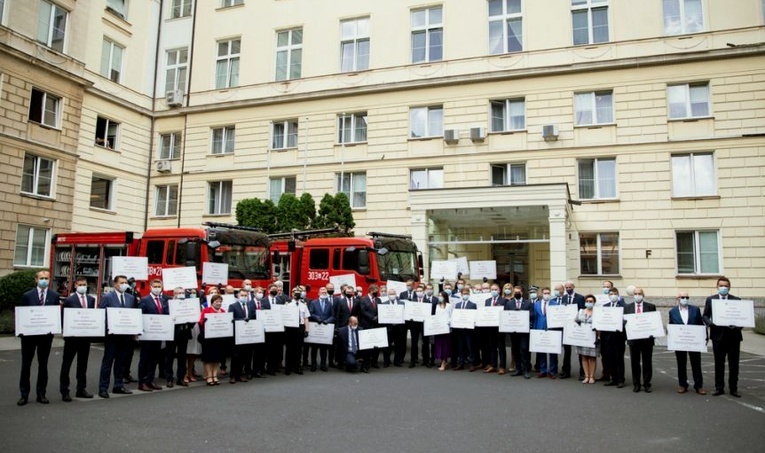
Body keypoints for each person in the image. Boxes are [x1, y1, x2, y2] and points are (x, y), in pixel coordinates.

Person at [18, 270, 60, 406]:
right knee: (26, 365)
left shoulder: (54, 296)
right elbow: (22, 314)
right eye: (41, 278)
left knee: (43, 365)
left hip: (45, 337)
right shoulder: (27, 296)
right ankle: (24, 394)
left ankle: (41, 393)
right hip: (29, 337)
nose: (44, 280)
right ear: (36, 280)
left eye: (46, 278)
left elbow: (55, 315)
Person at [703, 277, 743, 397]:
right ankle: (719, 388)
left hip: (734, 337)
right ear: (717, 287)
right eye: (721, 285)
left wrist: (737, 326)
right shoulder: (711, 300)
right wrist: (710, 324)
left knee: (733, 364)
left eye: (725, 285)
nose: (723, 288)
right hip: (718, 337)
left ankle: (733, 388)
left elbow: (742, 317)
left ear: (729, 287)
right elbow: (705, 316)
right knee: (719, 364)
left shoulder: (736, 300)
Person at [98, 275, 137, 398]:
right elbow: (102, 314)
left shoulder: (131, 298)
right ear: (115, 284)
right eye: (122, 282)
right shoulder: (108, 297)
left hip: (125, 336)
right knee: (108, 362)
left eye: (126, 282)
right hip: (112, 336)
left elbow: (133, 315)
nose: (124, 284)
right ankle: (103, 388)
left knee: (121, 362)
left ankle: (118, 385)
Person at [59, 277, 96, 401]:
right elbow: (64, 318)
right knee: (67, 364)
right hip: (72, 338)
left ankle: (81, 388)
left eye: (84, 284)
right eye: (80, 284)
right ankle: (64, 390)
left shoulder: (91, 300)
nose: (82, 287)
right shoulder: (69, 300)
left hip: (85, 338)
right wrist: (66, 332)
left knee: (82, 364)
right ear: (75, 286)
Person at [669, 291, 706, 395]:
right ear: (678, 298)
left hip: (693, 341)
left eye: (687, 297)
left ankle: (698, 386)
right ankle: (682, 384)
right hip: (680, 342)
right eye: (682, 297)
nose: (685, 299)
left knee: (696, 364)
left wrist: (704, 338)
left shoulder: (695, 309)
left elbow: (700, 324)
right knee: (681, 363)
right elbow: (671, 326)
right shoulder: (673, 311)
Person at [136, 279, 168, 392]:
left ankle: (150, 380)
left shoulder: (164, 300)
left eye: (159, 286)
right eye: (155, 286)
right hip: (147, 335)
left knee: (154, 358)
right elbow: (139, 316)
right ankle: (142, 381)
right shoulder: (145, 300)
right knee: (144, 359)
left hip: (158, 334)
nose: (157, 288)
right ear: (150, 287)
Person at [624, 287, 656, 393]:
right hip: (634, 339)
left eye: (639, 293)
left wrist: (654, 332)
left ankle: (647, 383)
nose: (637, 295)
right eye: (635, 294)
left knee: (647, 362)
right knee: (635, 362)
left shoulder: (651, 306)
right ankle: (636, 384)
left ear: (643, 295)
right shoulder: (627, 307)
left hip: (647, 340)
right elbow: (625, 322)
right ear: (633, 295)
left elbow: (654, 321)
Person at [165, 287, 193, 388]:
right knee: (170, 356)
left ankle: (180, 378)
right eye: (179, 293)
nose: (181, 294)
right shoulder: (169, 304)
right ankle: (169, 378)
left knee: (182, 356)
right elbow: (165, 315)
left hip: (184, 332)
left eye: (182, 293)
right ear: (174, 294)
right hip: (172, 333)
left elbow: (193, 317)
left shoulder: (188, 304)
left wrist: (192, 320)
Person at [228, 288, 257, 383]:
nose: (244, 297)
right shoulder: (233, 306)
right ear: (238, 296)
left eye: (246, 295)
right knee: (235, 356)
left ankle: (239, 375)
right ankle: (232, 376)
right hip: (237, 334)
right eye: (242, 295)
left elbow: (253, 318)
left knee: (244, 356)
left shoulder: (250, 306)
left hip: (247, 335)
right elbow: (231, 319)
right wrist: (241, 320)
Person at [505, 284, 533, 379]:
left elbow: (532, 315)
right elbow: (506, 316)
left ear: (522, 293)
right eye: (515, 292)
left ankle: (526, 370)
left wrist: (522, 313)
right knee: (515, 350)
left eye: (518, 292)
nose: (517, 293)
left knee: (524, 349)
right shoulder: (509, 303)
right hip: (514, 331)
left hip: (524, 331)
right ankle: (518, 369)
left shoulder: (528, 303)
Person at [601, 287, 626, 388]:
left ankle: (620, 379)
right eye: (610, 294)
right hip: (608, 337)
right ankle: (613, 378)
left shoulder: (623, 306)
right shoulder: (605, 306)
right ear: (608, 296)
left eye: (614, 293)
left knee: (619, 358)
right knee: (609, 358)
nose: (612, 295)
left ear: (618, 295)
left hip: (619, 337)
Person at [560, 281, 585, 379]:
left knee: (579, 350)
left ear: (573, 287)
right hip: (567, 327)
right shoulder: (564, 298)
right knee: (567, 351)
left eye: (570, 287)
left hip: (577, 326)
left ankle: (582, 372)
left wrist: (578, 319)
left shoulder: (580, 297)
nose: (568, 289)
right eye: (566, 287)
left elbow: (582, 310)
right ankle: (566, 371)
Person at [200, 294, 226, 385]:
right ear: (212, 302)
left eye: (220, 302)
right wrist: (205, 321)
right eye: (216, 302)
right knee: (209, 359)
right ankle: (209, 376)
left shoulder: (223, 311)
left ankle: (215, 375)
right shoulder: (206, 310)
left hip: (219, 338)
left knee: (217, 358)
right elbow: (200, 322)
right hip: (208, 339)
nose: (218, 303)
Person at [283, 287, 310, 375]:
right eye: (295, 292)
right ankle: (288, 368)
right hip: (290, 328)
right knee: (289, 349)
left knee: (298, 349)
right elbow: (284, 317)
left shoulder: (303, 305)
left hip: (300, 328)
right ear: (292, 294)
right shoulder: (288, 305)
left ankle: (297, 367)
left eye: (299, 292)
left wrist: (307, 330)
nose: (297, 294)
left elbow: (306, 318)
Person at [533, 287, 558, 379]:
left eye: (548, 293)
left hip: (551, 329)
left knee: (552, 352)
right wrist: (534, 330)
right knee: (541, 350)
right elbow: (535, 318)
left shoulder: (555, 304)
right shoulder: (536, 304)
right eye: (545, 293)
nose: (546, 295)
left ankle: (552, 371)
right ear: (542, 294)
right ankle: (542, 370)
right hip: (540, 328)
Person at [308, 286, 335, 372]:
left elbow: (333, 316)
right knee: (314, 348)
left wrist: (328, 320)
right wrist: (317, 318)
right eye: (322, 292)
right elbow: (310, 313)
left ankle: (323, 364)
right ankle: (313, 364)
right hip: (316, 327)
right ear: (318, 293)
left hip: (325, 328)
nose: (323, 293)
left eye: (325, 292)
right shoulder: (313, 302)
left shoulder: (329, 304)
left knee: (324, 349)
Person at [333, 284, 360, 369]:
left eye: (350, 292)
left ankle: (351, 359)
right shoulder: (341, 301)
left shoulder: (357, 301)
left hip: (353, 325)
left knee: (352, 342)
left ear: (353, 293)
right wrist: (337, 327)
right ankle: (340, 362)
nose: (348, 293)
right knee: (341, 345)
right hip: (342, 326)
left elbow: (359, 314)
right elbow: (337, 315)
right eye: (347, 292)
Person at [575, 295, 598, 384]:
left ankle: (592, 376)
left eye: (591, 301)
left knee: (592, 358)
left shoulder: (597, 312)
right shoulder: (581, 311)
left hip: (593, 338)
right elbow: (575, 321)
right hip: (582, 338)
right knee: (584, 357)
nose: (589, 303)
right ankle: (586, 376)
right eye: (587, 301)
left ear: (594, 302)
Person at [452, 287, 477, 371]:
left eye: (466, 294)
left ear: (469, 294)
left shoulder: (473, 305)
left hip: (469, 330)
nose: (465, 295)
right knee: (461, 347)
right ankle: (461, 363)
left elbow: (474, 317)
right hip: (460, 330)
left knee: (471, 347)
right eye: (463, 294)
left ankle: (473, 364)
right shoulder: (457, 305)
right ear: (461, 295)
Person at [407, 284, 430, 368]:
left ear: (423, 292)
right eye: (418, 291)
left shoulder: (427, 301)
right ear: (415, 292)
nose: (419, 292)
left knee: (426, 343)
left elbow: (429, 314)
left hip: (424, 325)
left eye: (421, 291)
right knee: (414, 343)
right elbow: (409, 313)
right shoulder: (412, 301)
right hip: (415, 325)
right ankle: (412, 361)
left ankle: (426, 361)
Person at [382, 288, 406, 367]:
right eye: (390, 294)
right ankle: (386, 361)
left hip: (398, 328)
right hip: (389, 327)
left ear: (396, 295)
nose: (392, 296)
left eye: (393, 294)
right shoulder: (384, 304)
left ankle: (397, 361)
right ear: (388, 295)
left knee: (398, 345)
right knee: (387, 346)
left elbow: (405, 315)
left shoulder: (402, 303)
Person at [359, 284, 382, 369]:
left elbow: (381, 310)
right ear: (371, 291)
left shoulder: (378, 300)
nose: (377, 292)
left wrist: (378, 317)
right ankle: (366, 362)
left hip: (376, 325)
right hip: (366, 324)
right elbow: (363, 311)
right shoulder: (363, 300)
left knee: (377, 344)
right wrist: (372, 318)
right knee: (367, 345)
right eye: (375, 291)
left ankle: (374, 362)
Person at [264, 283, 285, 375]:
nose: (274, 291)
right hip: (268, 329)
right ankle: (268, 368)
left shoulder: (280, 300)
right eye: (273, 289)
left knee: (276, 349)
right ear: (268, 290)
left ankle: (274, 366)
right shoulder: (263, 301)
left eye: (276, 289)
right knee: (268, 349)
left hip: (277, 329)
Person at [434, 291, 453, 371]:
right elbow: (435, 316)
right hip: (438, 328)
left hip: (446, 328)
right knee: (439, 345)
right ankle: (442, 360)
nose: (440, 297)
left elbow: (451, 316)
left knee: (445, 345)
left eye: (441, 296)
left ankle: (444, 362)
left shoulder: (449, 306)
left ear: (445, 297)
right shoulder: (437, 306)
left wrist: (448, 323)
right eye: (439, 296)